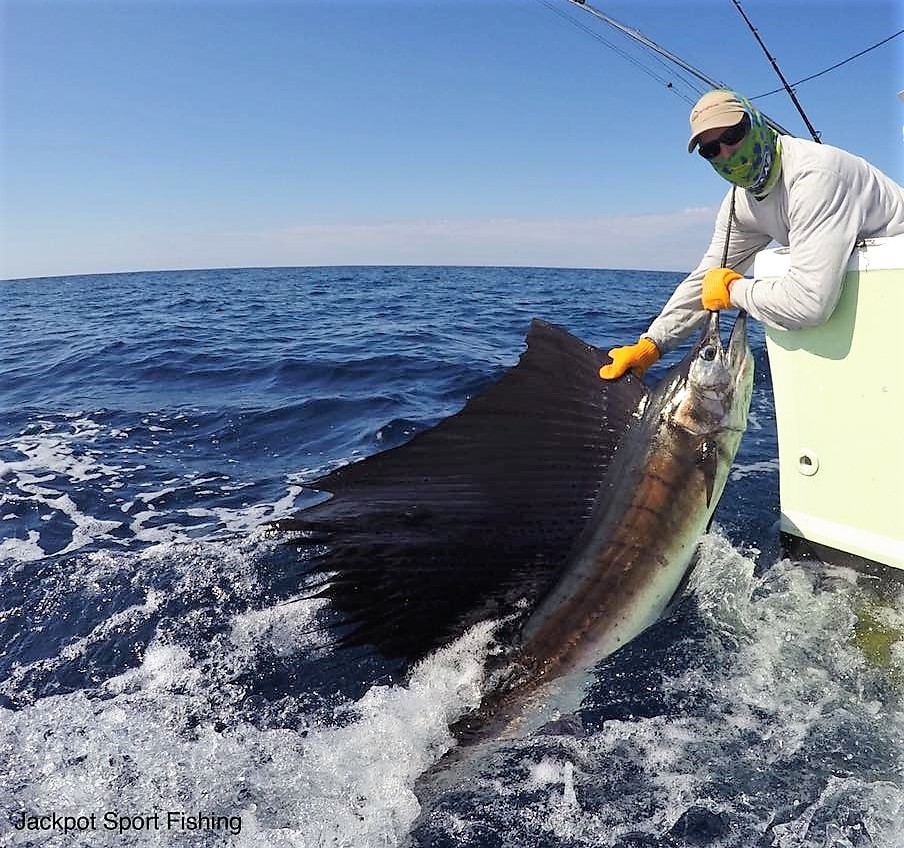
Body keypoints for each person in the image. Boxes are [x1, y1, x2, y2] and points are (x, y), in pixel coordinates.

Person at [599, 88, 904, 380]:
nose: (726, 152)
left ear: (756, 122)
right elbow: (708, 276)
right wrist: (652, 345)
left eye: (732, 135)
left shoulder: (815, 176)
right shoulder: (739, 201)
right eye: (711, 149)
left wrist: (734, 291)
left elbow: (811, 303)